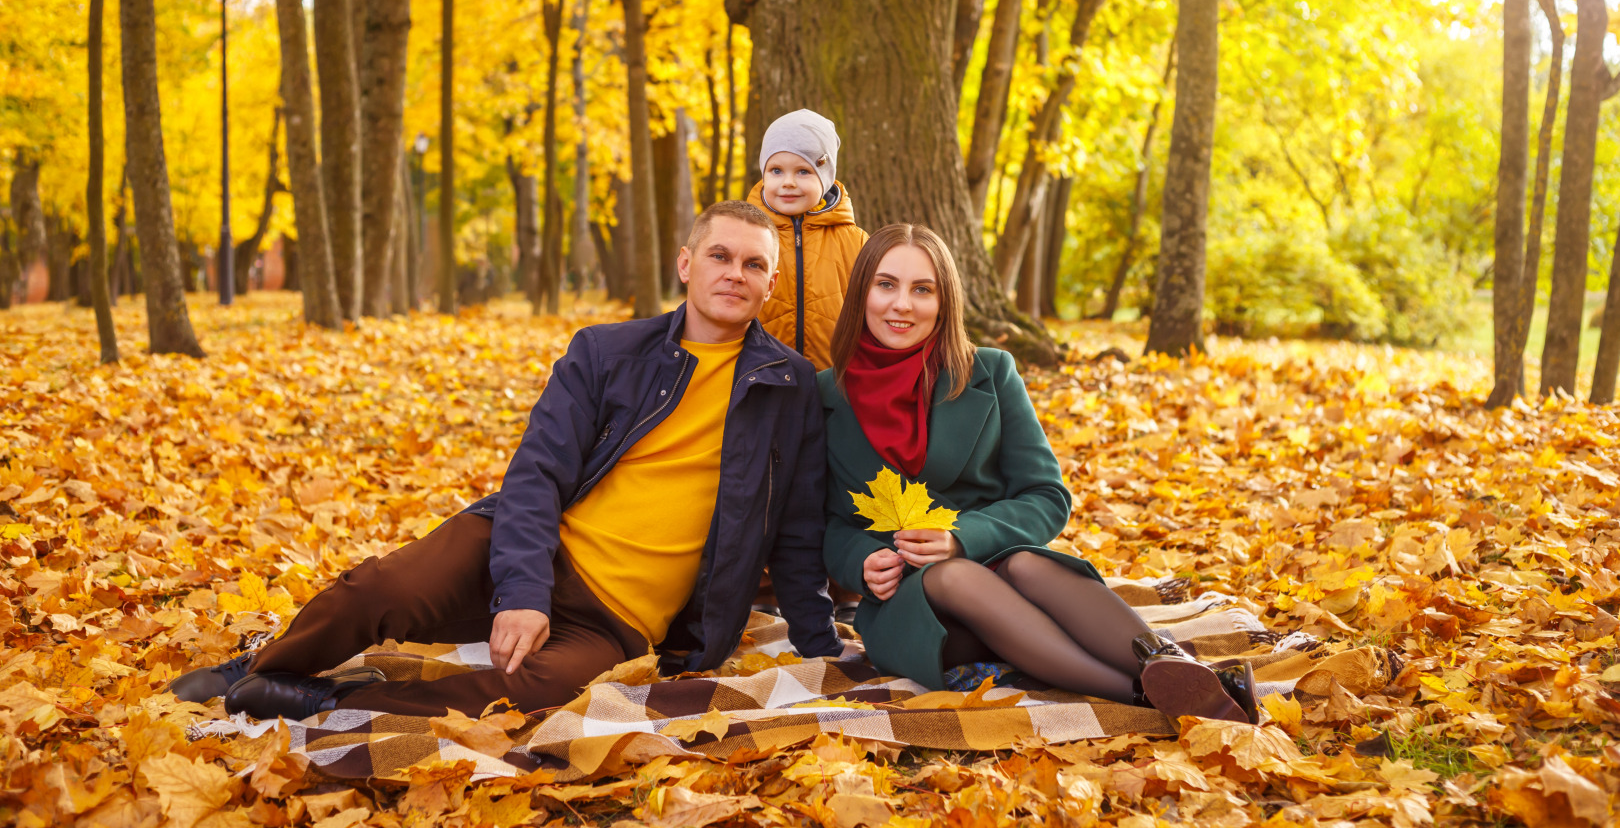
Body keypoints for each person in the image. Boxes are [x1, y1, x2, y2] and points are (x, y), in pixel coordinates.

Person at [169, 201, 841, 719]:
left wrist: (817, 643)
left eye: (754, 265)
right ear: (686, 264)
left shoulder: (790, 388)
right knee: (380, 591)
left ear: (773, 282)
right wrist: (522, 593)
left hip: (622, 619)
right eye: (720, 256)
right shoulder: (606, 353)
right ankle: (266, 665)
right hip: (532, 551)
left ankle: (329, 703)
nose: (735, 274)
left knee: (533, 692)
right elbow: (537, 473)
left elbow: (798, 528)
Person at [819, 224, 1257, 723]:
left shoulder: (991, 372)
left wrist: (962, 534)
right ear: (861, 293)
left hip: (1014, 576)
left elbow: (1047, 496)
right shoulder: (825, 396)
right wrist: (862, 561)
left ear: (945, 301)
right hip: (915, 610)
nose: (903, 304)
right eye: (886, 284)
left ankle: (1175, 668)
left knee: (1026, 564)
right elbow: (827, 524)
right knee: (955, 576)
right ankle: (1145, 695)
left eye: (923, 289)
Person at [747, 109, 868, 371]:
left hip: (834, 381)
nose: (788, 182)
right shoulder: (746, 234)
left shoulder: (855, 242)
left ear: (825, 178)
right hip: (760, 378)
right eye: (776, 170)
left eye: (803, 171)